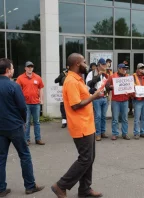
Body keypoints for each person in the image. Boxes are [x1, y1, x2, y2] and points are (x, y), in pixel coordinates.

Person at [51, 53, 102, 198]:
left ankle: (85, 189)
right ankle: (61, 185)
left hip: (88, 125)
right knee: (85, 158)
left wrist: (92, 94)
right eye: (84, 62)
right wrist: (94, 96)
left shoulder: (78, 79)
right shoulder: (71, 81)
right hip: (81, 126)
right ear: (77, 64)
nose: (87, 64)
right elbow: (75, 105)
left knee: (89, 158)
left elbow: (83, 97)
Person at [0, 58, 45, 197]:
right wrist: (22, 120)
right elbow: (22, 107)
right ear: (8, 71)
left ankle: (1, 188)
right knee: (24, 155)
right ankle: (30, 186)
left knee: (1, 158)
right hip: (15, 126)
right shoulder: (14, 86)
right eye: (12, 68)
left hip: (0, 127)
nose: (13, 70)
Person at [16, 61, 45, 146]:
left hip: (36, 103)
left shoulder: (37, 77)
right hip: (25, 104)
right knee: (27, 122)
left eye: (31, 67)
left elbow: (41, 89)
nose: (30, 68)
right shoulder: (20, 78)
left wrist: (41, 100)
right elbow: (17, 90)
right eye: (28, 67)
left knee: (37, 122)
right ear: (25, 68)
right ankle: (27, 139)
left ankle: (38, 139)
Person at [86, 58, 109, 141]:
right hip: (96, 98)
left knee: (103, 116)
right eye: (104, 65)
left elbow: (107, 85)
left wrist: (112, 87)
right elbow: (89, 84)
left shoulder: (106, 74)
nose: (105, 66)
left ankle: (102, 132)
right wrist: (98, 75)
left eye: (105, 65)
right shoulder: (91, 74)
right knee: (98, 116)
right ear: (99, 65)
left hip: (104, 97)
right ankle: (97, 134)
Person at [107, 63, 131, 141]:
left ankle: (124, 133)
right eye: (123, 69)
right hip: (116, 100)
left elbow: (131, 87)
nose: (125, 70)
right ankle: (115, 134)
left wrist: (130, 90)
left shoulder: (128, 77)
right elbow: (107, 86)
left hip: (125, 100)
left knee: (125, 118)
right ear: (119, 69)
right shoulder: (112, 76)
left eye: (125, 69)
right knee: (115, 118)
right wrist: (111, 87)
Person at [132, 63, 144, 139]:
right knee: (137, 118)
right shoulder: (133, 77)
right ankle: (136, 133)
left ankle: (143, 132)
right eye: (141, 68)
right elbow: (131, 87)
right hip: (138, 100)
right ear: (137, 69)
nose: (143, 69)